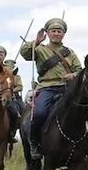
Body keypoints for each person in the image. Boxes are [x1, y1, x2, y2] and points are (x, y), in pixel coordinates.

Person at [20, 18, 82, 160]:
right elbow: (25, 54)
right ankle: (34, 144)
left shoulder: (70, 52)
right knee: (39, 113)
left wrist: (73, 74)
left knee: (85, 111)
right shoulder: (40, 49)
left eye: (59, 31)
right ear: (47, 33)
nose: (56, 34)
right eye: (53, 31)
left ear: (63, 34)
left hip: (67, 88)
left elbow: (79, 70)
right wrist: (36, 41)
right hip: (47, 87)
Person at [3, 60, 26, 143]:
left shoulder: (17, 76)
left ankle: (16, 131)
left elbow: (20, 87)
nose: (9, 68)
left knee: (24, 110)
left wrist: (12, 90)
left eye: (11, 67)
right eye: (7, 67)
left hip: (15, 97)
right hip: (4, 96)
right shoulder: (3, 75)